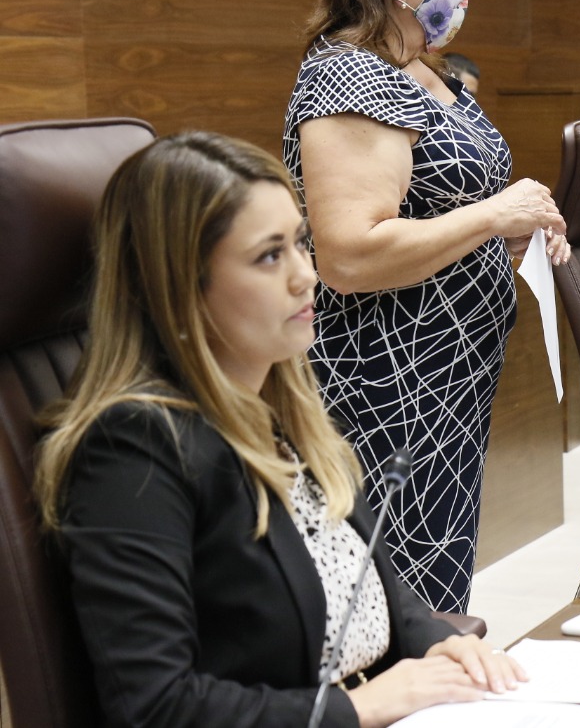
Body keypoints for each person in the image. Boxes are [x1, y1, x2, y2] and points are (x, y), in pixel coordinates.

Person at [33, 133, 526, 728]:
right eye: (270, 256)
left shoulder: (286, 413)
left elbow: (374, 590)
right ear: (180, 286)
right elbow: (156, 707)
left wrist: (435, 644)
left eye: (300, 243)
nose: (306, 276)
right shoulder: (132, 450)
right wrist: (359, 707)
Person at [284, 0, 570, 614]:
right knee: (391, 608)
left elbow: (442, 210)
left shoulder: (418, 67)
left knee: (434, 588)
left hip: (449, 384)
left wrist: (509, 227)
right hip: (389, 388)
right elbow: (349, 254)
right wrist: (492, 212)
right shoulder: (350, 77)